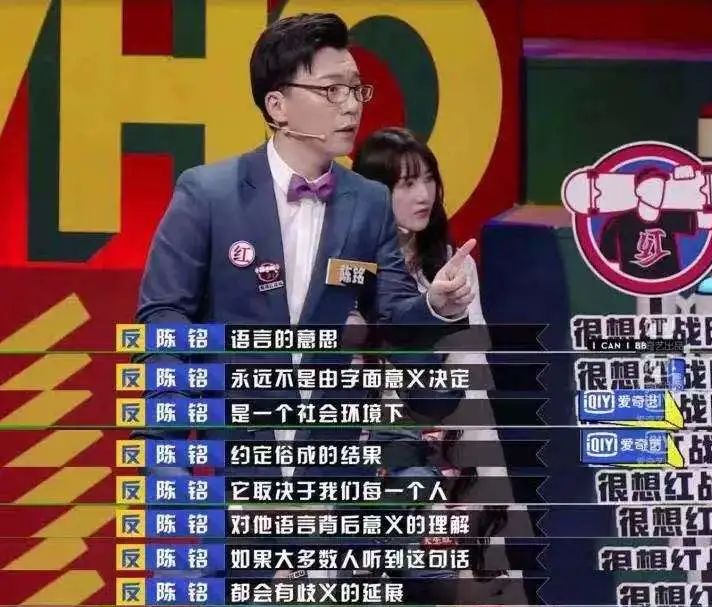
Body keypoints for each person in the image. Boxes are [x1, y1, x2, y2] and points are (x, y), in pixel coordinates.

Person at [135, 14, 477, 470]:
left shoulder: (368, 201)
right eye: (332, 90)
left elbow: (392, 315)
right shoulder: (208, 195)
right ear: (278, 106)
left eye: (356, 89)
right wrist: (163, 447)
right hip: (238, 458)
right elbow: (166, 321)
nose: (351, 106)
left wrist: (434, 305)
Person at [352, 128, 538, 607]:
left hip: (448, 443)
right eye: (405, 184)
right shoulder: (346, 270)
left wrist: (485, 475)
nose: (423, 195)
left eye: (429, 180)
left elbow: (473, 372)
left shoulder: (454, 266)